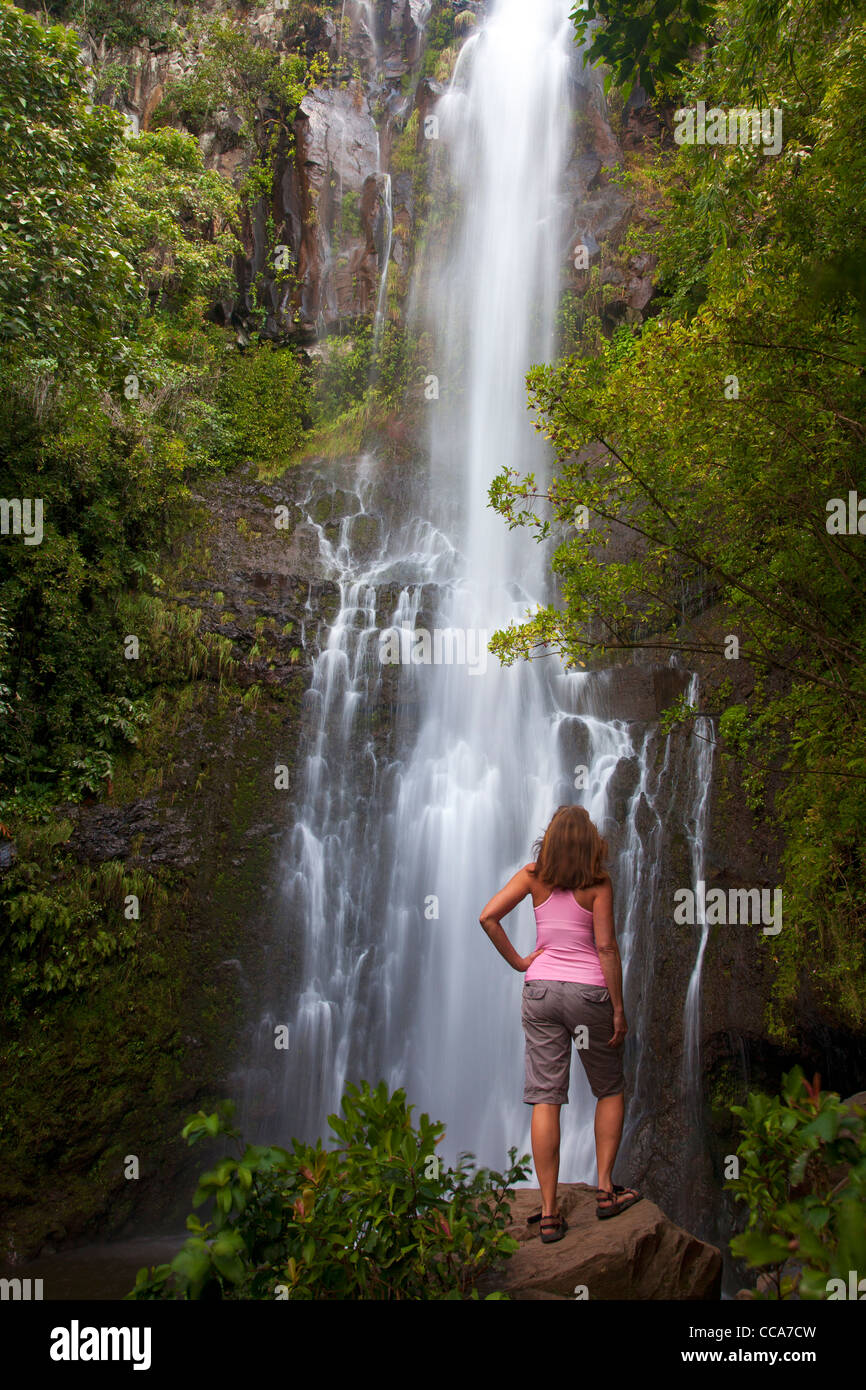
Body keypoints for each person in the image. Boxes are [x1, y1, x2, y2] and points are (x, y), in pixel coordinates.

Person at [478, 803, 642, 1242]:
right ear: (590, 843)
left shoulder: (533, 876)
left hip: (542, 991)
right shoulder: (598, 883)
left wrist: (519, 962)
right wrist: (619, 1010)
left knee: (546, 1097)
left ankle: (549, 1212)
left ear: (549, 840)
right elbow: (606, 948)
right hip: (589, 994)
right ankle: (606, 1191)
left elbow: (488, 917)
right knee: (608, 1088)